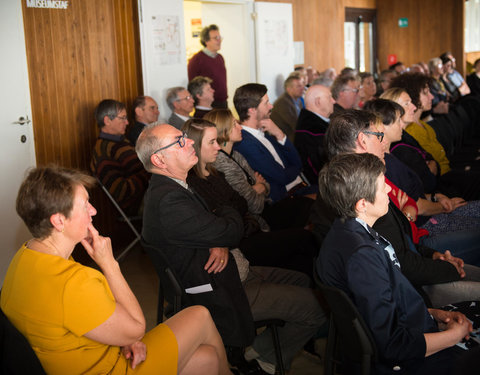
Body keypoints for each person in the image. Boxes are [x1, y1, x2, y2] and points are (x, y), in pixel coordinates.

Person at [0, 166, 234, 375]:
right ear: (59, 222)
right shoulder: (74, 281)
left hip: (84, 357)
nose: (93, 211)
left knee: (207, 360)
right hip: (111, 369)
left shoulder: (24, 257)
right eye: (85, 205)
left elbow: (80, 317)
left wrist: (122, 339)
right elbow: (136, 329)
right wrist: (109, 264)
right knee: (200, 314)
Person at [136, 123, 325, 374]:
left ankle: (258, 350)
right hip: (219, 290)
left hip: (232, 270)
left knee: (302, 279)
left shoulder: (175, 186)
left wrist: (220, 235)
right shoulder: (169, 199)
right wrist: (223, 228)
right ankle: (263, 358)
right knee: (319, 307)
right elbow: (230, 226)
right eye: (179, 141)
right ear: (159, 159)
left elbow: (221, 227)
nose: (190, 142)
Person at [317, 152, 473, 375]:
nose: (389, 190)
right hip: (411, 360)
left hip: (416, 326)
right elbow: (393, 345)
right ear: (362, 203)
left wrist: (433, 315)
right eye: (382, 187)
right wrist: (452, 337)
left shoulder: (345, 230)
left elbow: (385, 306)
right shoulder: (362, 257)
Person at [310, 109, 480, 307]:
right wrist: (447, 268)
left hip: (413, 272)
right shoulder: (357, 188)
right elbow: (401, 264)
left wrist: (431, 254)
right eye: (379, 136)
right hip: (410, 294)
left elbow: (401, 241)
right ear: (363, 141)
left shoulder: (345, 177)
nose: (385, 143)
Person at [183, 118, 317, 277]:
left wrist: (255, 191)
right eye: (212, 142)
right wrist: (252, 193)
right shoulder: (195, 182)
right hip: (239, 244)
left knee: (302, 252)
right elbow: (240, 209)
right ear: (195, 146)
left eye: (217, 141)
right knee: (304, 238)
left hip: (249, 228)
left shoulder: (215, 173)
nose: (217, 147)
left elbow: (241, 203)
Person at [205, 109, 315, 231]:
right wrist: (258, 187)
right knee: (310, 208)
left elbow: (265, 185)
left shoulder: (236, 155)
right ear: (223, 131)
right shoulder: (223, 163)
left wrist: (259, 188)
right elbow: (254, 206)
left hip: (268, 207)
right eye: (234, 124)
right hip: (259, 219)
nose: (240, 128)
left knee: (311, 206)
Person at [232, 83, 316, 203]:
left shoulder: (265, 131)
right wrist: (296, 168)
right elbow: (283, 177)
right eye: (266, 103)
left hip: (300, 187)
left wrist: (279, 133)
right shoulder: (245, 143)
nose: (271, 106)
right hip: (286, 199)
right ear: (252, 110)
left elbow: (297, 161)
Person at [90, 99, 150, 215]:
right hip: (138, 204)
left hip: (148, 193)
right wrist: (149, 173)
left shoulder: (121, 141)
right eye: (122, 118)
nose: (127, 122)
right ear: (107, 120)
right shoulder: (103, 151)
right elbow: (121, 191)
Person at [294, 84, 335, 184]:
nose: (334, 101)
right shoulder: (311, 131)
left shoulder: (319, 124)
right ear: (318, 102)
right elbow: (319, 170)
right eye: (329, 97)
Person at [188, 24, 228, 108]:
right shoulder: (197, 60)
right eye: (215, 38)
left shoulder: (220, 57)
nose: (219, 40)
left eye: (220, 37)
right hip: (207, 104)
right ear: (206, 41)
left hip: (222, 102)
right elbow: (192, 85)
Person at [270, 75, 305, 140]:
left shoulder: (299, 100)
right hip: (285, 139)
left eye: (302, 85)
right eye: (298, 86)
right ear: (289, 89)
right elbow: (296, 125)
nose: (303, 88)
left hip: (295, 136)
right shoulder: (282, 103)